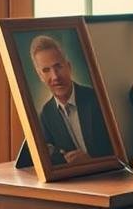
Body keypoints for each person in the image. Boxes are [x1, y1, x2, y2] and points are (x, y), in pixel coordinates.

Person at [30, 35, 113, 165]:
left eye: (58, 67)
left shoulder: (98, 99)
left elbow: (119, 150)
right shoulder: (46, 114)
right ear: (40, 76)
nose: (55, 76)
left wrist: (91, 162)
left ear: (69, 67)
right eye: (46, 70)